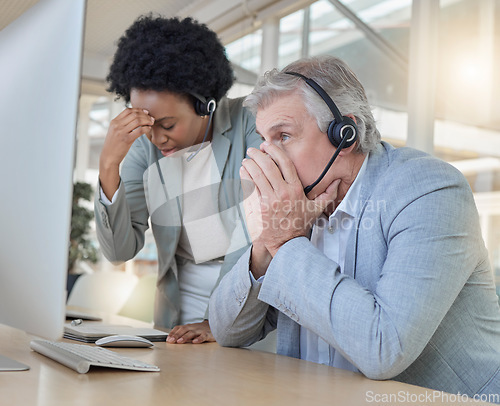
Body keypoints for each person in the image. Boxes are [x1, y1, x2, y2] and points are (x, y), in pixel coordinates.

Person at [208, 55, 500, 401]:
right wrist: (264, 246)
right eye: (263, 140)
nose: (266, 156)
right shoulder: (294, 207)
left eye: (283, 136)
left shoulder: (429, 189)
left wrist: (286, 241)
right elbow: (228, 330)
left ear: (344, 135)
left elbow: (385, 349)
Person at [94, 15, 260, 344]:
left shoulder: (252, 123)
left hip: (248, 312)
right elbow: (120, 250)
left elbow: (263, 235)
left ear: (205, 105)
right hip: (177, 322)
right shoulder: (144, 146)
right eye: (146, 123)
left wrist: (221, 322)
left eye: (168, 125)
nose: (156, 138)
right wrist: (109, 165)